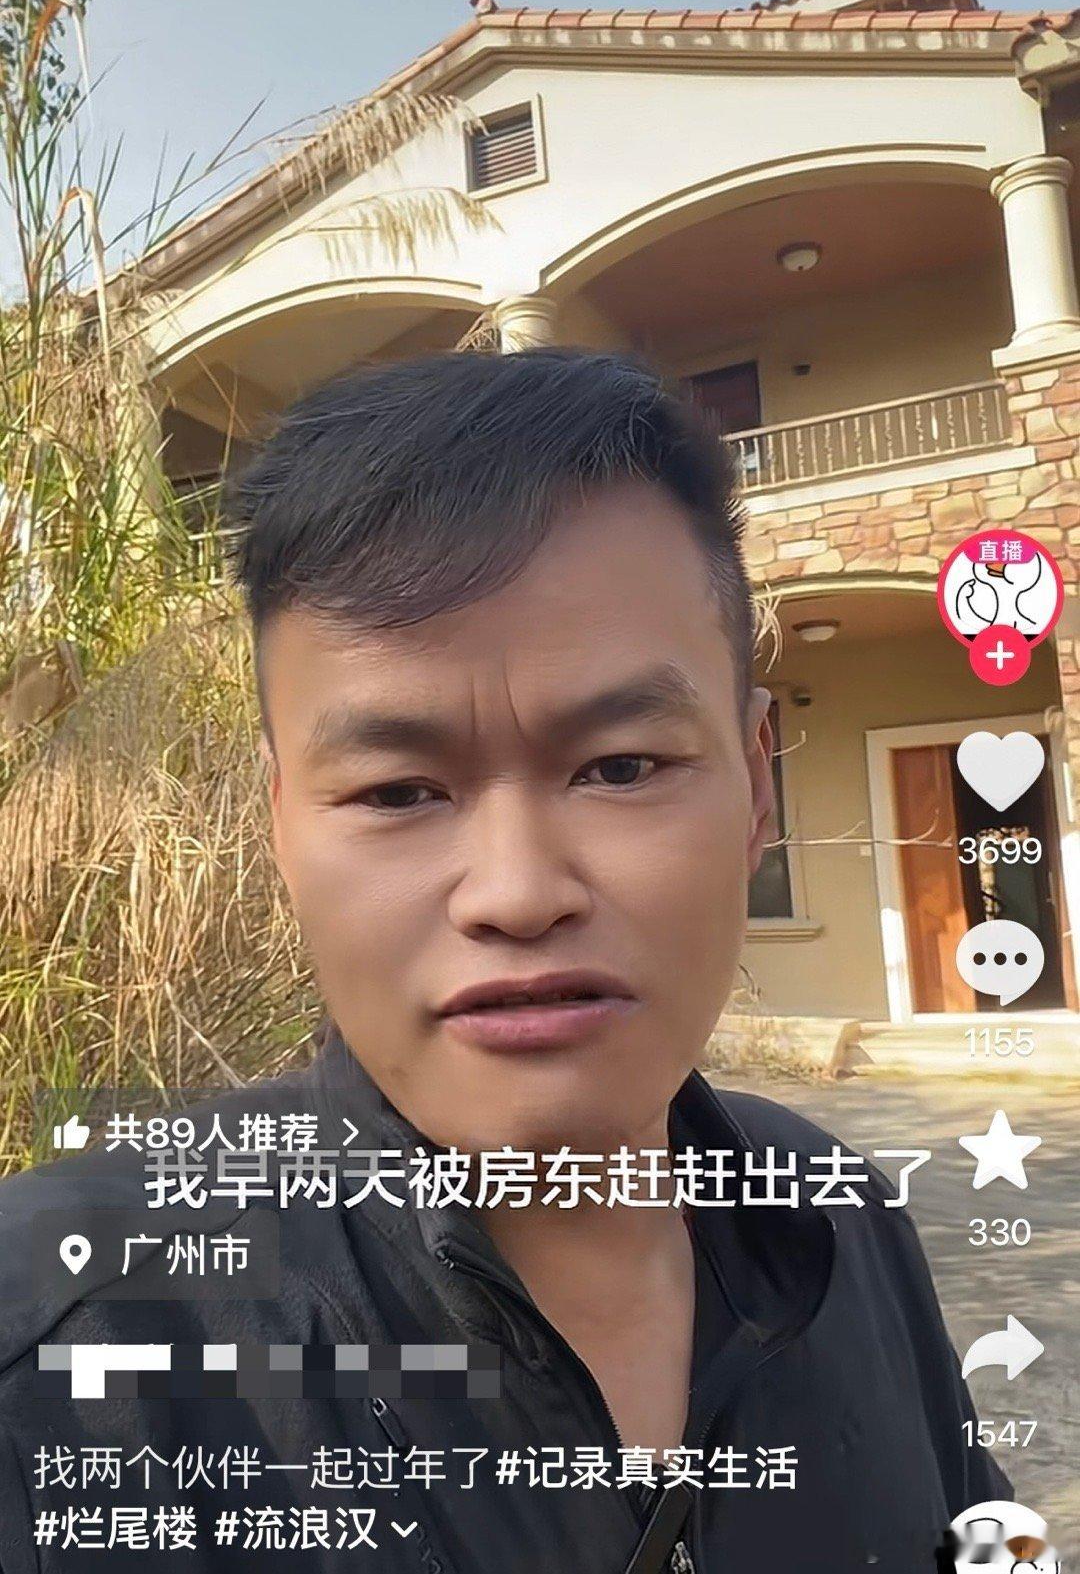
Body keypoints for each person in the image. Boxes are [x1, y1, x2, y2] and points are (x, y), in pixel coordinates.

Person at [0, 349, 1010, 1573]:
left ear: (756, 786)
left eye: (621, 766)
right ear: (281, 827)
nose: (519, 892)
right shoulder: (65, 1359)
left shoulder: (838, 1218)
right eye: (398, 790)